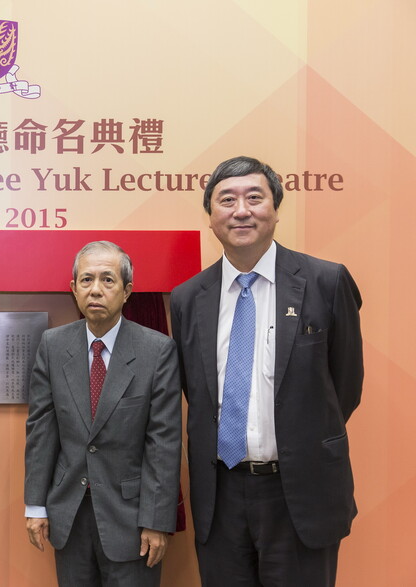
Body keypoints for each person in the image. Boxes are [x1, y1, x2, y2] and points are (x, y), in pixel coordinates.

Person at [170, 156, 363, 586]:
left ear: (275, 209)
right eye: (227, 200)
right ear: (211, 217)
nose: (241, 210)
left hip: (300, 492)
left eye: (254, 198)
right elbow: (194, 392)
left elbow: (344, 387)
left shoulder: (326, 282)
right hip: (219, 496)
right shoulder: (186, 299)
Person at [24, 241, 182, 586]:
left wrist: (156, 520)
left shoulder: (156, 351)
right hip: (69, 515)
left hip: (133, 519)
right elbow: (41, 430)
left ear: (127, 291)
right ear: (73, 289)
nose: (96, 289)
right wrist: (35, 505)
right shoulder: (52, 346)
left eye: (108, 280)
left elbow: (164, 442)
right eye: (86, 280)